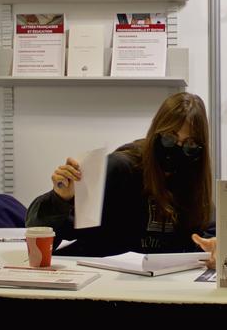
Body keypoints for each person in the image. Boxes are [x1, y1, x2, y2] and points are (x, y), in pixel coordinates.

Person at [27, 91, 214, 257]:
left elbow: (209, 235)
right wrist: (60, 198)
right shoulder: (120, 169)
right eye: (169, 138)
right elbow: (40, 236)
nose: (177, 148)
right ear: (156, 134)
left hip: (164, 280)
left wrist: (215, 248)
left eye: (190, 144)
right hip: (104, 277)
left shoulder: (193, 181)